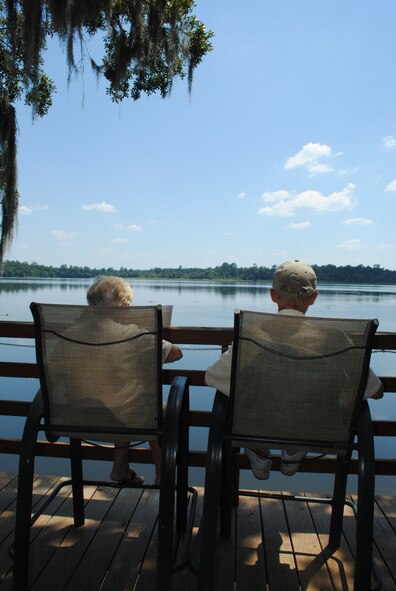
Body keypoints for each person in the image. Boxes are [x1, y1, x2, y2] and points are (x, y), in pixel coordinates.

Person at [205, 260, 383, 480]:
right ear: (313, 297)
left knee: (245, 395)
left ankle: (259, 449)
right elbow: (376, 391)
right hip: (317, 430)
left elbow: (212, 377)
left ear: (273, 295)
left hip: (257, 427)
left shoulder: (250, 337)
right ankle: (293, 450)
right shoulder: (335, 339)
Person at [85, 275, 182, 486]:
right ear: (123, 306)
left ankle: (119, 468)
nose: (130, 308)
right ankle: (162, 477)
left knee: (122, 397)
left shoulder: (69, 333)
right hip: (123, 414)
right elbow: (175, 353)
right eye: (128, 304)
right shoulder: (133, 335)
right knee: (152, 408)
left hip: (77, 417)